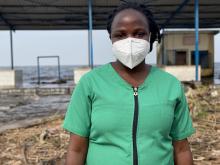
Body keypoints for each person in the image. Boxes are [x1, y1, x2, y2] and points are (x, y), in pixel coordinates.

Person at [62, 2, 195, 165]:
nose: (130, 41)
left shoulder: (171, 85)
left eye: (139, 33)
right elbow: (77, 149)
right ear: (111, 37)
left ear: (151, 36)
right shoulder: (90, 84)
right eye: (121, 34)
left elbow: (181, 148)